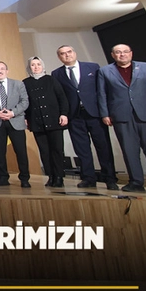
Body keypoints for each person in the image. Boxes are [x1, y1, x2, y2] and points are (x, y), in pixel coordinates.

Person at [97, 44, 146, 193]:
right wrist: (105, 114)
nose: (122, 54)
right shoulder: (105, 71)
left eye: (125, 52)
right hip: (122, 116)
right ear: (113, 55)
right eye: (118, 52)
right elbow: (102, 94)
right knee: (130, 152)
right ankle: (136, 182)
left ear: (131, 53)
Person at [52, 45, 119, 190]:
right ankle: (88, 178)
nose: (67, 55)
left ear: (74, 53)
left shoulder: (92, 67)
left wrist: (106, 112)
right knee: (82, 149)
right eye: (63, 53)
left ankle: (110, 178)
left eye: (69, 52)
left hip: (95, 114)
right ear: (59, 57)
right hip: (75, 116)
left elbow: (102, 90)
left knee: (103, 147)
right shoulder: (56, 74)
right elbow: (60, 96)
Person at [0, 61, 30, 188]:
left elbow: (25, 101)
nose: (0, 71)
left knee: (21, 151)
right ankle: (2, 178)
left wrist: (12, 113)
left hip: (15, 120)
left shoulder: (18, 84)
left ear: (7, 71)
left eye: (2, 68)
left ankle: (24, 178)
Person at [23, 57, 69, 188]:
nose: (36, 67)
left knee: (57, 150)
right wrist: (25, 117)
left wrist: (64, 113)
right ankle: (51, 176)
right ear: (29, 67)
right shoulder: (25, 83)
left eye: (38, 64)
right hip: (37, 121)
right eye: (33, 65)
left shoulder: (51, 80)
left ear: (42, 66)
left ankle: (59, 177)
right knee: (44, 151)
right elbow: (25, 102)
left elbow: (62, 98)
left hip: (54, 120)